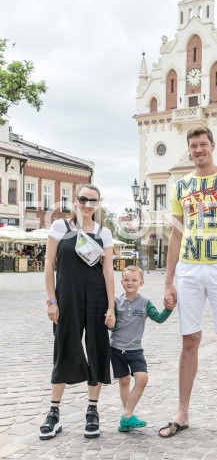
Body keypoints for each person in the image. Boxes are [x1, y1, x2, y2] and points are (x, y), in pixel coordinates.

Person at [159, 126, 217, 440]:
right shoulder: (180, 186)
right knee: (189, 341)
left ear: (212, 146)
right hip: (188, 269)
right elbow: (175, 235)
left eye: (203, 145)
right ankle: (182, 412)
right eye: (193, 146)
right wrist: (168, 281)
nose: (198, 150)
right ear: (189, 150)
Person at [39, 184, 115, 440]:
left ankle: (92, 411)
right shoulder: (61, 228)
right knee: (64, 350)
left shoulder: (104, 233)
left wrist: (111, 307)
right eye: (83, 199)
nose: (87, 205)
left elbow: (107, 271)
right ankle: (54, 412)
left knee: (96, 351)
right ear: (75, 200)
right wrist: (52, 300)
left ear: (98, 204)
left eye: (93, 201)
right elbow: (49, 265)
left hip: (96, 300)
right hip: (67, 299)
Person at [110, 265, 174, 432]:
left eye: (134, 280)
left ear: (141, 282)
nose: (130, 283)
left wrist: (169, 309)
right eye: (126, 280)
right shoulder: (116, 302)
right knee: (124, 381)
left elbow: (159, 318)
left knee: (142, 378)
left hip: (135, 350)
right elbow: (113, 326)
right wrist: (109, 324)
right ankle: (128, 418)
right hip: (116, 349)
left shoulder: (145, 302)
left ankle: (126, 415)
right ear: (121, 281)